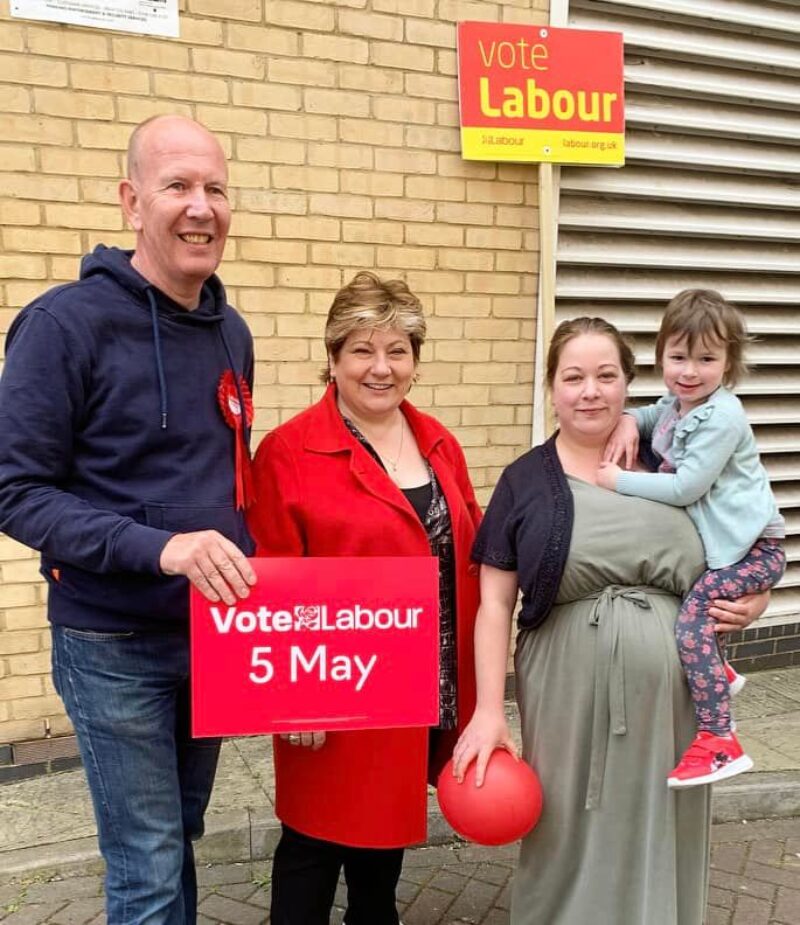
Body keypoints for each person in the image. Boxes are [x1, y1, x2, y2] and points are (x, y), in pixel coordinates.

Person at [0, 115, 257, 924]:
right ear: (130, 200)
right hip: (112, 643)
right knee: (145, 864)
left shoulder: (231, 331)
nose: (200, 206)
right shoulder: (61, 326)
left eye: (215, 188)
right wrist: (160, 547)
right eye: (178, 185)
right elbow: (15, 489)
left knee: (179, 835)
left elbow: (223, 479)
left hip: (210, 638)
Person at [451, 317, 768, 925]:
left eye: (606, 376)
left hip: (675, 696)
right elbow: (493, 605)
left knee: (661, 820)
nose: (589, 391)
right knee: (569, 820)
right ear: (552, 388)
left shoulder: (677, 464)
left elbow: (748, 532)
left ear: (629, 386)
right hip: (566, 687)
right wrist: (491, 710)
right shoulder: (524, 481)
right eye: (573, 377)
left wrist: (753, 597)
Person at [248, 271, 482, 925]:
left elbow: (477, 546)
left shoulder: (438, 442)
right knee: (313, 845)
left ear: (414, 360)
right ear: (332, 357)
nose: (381, 367)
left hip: (421, 687)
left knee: (382, 850)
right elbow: (271, 573)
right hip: (330, 690)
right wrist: (291, 694)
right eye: (361, 349)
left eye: (397, 350)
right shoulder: (289, 451)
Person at [598, 289, 785, 788]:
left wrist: (618, 481)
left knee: (692, 623)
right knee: (697, 629)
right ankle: (716, 674)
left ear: (728, 363)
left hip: (754, 552)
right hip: (732, 551)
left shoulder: (722, 416)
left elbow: (686, 487)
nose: (689, 371)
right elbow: (652, 414)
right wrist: (624, 418)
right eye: (678, 357)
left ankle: (720, 739)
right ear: (661, 355)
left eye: (706, 359)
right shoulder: (680, 405)